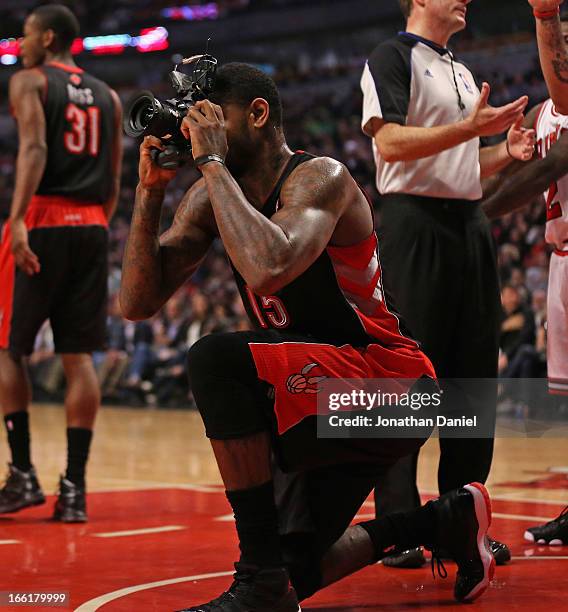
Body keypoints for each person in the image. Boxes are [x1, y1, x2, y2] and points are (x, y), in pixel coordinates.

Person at [121, 62, 495, 611]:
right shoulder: (211, 197)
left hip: (393, 385)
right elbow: (136, 304)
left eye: (212, 118)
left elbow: (269, 267)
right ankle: (443, 520)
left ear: (257, 114)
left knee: (216, 360)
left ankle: (258, 582)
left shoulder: (321, 177)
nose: (200, 130)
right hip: (315, 391)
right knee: (293, 568)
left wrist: (210, 161)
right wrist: (148, 192)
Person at [360, 0, 537, 568]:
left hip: (469, 225)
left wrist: (502, 153)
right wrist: (468, 129)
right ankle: (398, 526)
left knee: (472, 381)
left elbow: (457, 160)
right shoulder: (391, 57)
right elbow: (388, 146)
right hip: (415, 225)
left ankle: (463, 523)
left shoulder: (460, 68)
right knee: (412, 380)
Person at [0, 4, 122, 522]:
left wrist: (20, 219)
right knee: (80, 358)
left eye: (25, 35)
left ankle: (23, 475)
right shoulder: (110, 96)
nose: (20, 43)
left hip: (43, 218)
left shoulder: (30, 81)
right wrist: (94, 221)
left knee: (9, 350)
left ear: (47, 37)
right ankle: (74, 490)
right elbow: (116, 179)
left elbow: (33, 148)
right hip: (93, 224)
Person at [483, 9, 568, 549]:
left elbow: (542, 172)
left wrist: (543, 14)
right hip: (561, 258)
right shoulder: (541, 114)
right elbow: (522, 168)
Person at [528, 0, 568, 113]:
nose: (560, 48)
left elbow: (565, 103)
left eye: (567, 40)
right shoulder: (536, 116)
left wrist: (546, 13)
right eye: (559, 41)